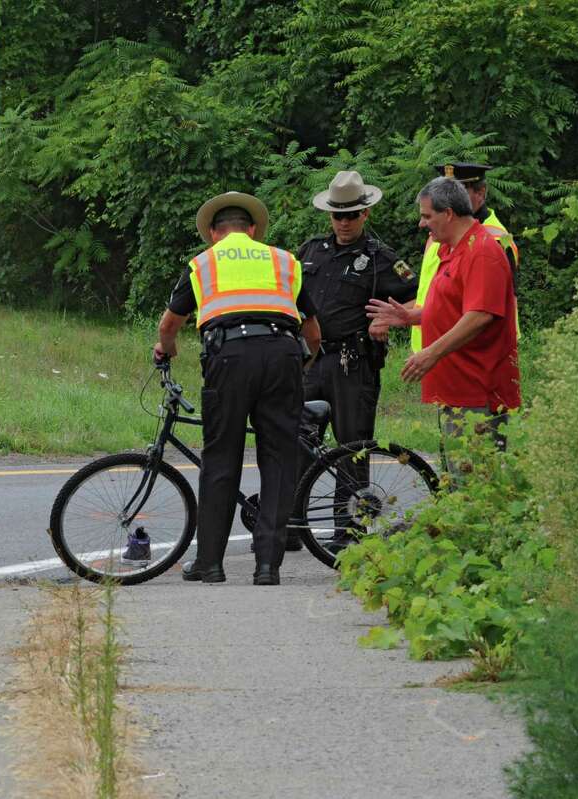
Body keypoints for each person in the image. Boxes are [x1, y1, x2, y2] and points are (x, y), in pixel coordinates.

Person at [152, 192, 321, 586]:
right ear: (252, 231)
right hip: (282, 355)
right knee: (278, 458)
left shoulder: (203, 263)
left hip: (229, 358)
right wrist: (304, 364)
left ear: (213, 233)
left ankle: (210, 562)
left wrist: (167, 351)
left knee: (221, 457)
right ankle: (268, 566)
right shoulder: (284, 261)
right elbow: (312, 329)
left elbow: (168, 325)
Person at [297, 171, 417, 553]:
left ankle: (346, 532)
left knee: (351, 447)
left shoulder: (382, 259)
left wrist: (387, 318)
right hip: (310, 359)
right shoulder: (312, 250)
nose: (344, 222)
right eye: (338, 215)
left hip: (353, 362)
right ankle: (290, 525)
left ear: (365, 214)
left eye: (351, 215)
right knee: (296, 441)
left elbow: (420, 297)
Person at [367, 177, 519, 469]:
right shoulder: (450, 249)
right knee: (457, 483)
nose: (422, 224)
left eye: (427, 216)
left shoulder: (482, 252)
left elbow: (480, 315)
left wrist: (431, 353)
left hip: (477, 391)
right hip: (456, 389)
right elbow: (457, 306)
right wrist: (412, 316)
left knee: (474, 485)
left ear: (448, 213)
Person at [406, 162, 519, 352]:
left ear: (481, 193)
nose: (446, 200)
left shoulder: (493, 241)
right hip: (432, 347)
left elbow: (483, 313)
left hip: (474, 351)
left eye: (457, 191)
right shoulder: (437, 235)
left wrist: (433, 353)